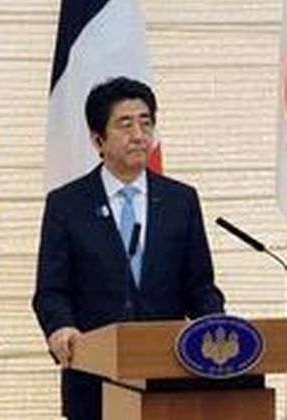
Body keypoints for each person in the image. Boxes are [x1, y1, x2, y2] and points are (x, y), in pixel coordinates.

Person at [33, 77, 224, 420]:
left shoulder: (181, 200)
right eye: (125, 124)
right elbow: (51, 291)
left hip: (171, 381)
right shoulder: (67, 204)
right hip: (94, 382)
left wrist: (220, 331)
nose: (139, 134)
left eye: (146, 122)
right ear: (97, 140)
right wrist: (60, 327)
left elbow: (200, 287)